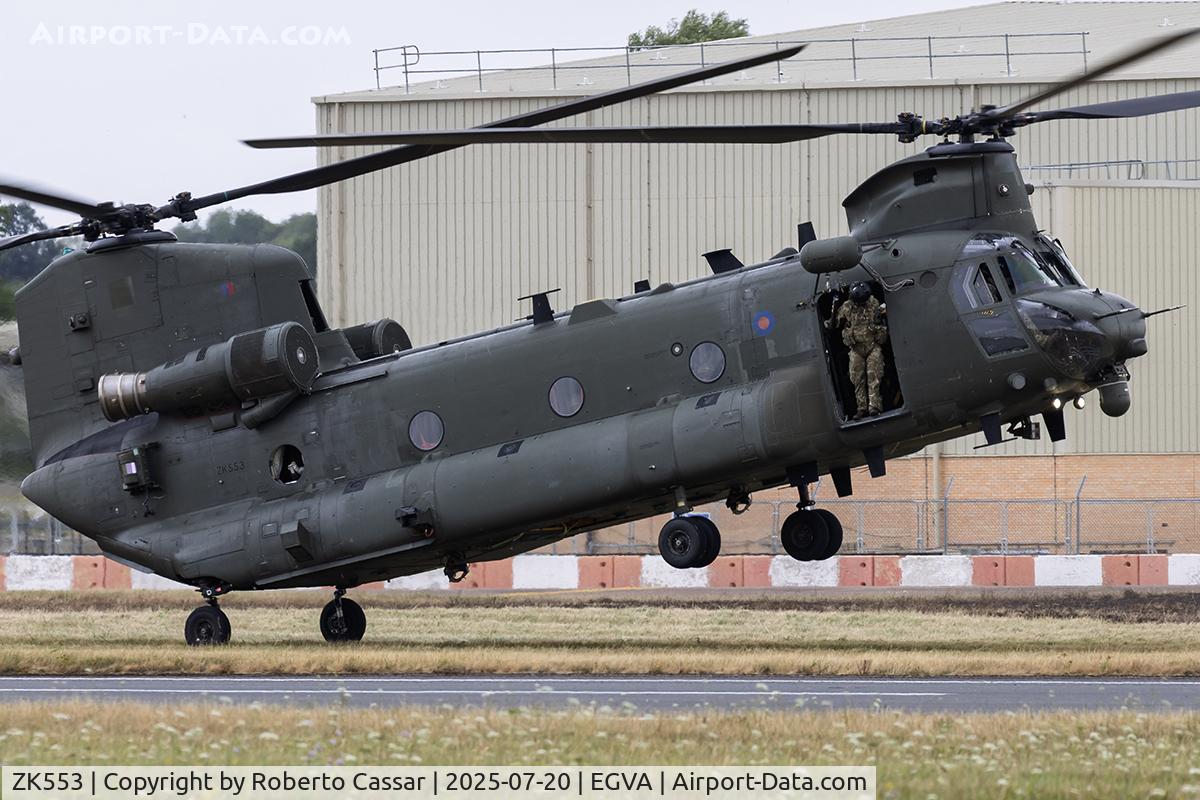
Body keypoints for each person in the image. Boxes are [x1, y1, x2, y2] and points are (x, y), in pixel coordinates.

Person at [835, 281, 888, 419]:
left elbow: (880, 316)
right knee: (857, 379)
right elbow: (836, 322)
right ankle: (862, 408)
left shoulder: (873, 303)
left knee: (874, 376)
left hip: (872, 346)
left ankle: (874, 407)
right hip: (856, 348)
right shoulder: (846, 307)